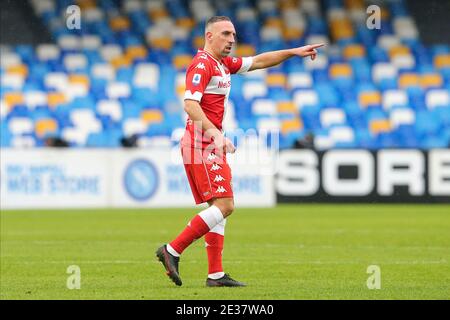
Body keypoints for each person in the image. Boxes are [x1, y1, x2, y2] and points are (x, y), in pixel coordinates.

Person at [156, 16, 323, 287]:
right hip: (201, 144)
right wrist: (215, 134)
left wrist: (293, 52)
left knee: (218, 207)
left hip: (208, 144)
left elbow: (258, 61)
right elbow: (189, 105)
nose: (231, 39)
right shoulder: (202, 64)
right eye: (225, 33)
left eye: (233, 34)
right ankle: (172, 250)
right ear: (209, 36)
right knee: (225, 205)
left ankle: (215, 275)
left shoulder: (222, 64)